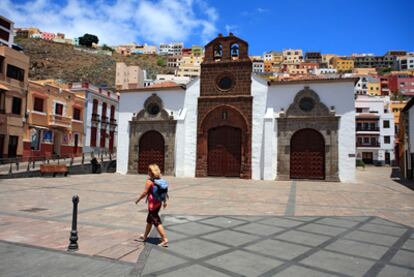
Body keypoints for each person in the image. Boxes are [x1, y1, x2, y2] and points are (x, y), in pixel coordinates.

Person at [135, 164, 168, 247]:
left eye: (148, 170)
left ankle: (164, 239)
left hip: (152, 204)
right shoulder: (160, 180)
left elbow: (145, 192)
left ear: (151, 172)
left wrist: (138, 199)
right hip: (158, 203)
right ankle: (145, 236)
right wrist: (164, 202)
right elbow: (164, 192)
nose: (148, 172)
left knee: (156, 221)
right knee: (149, 220)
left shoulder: (149, 181)